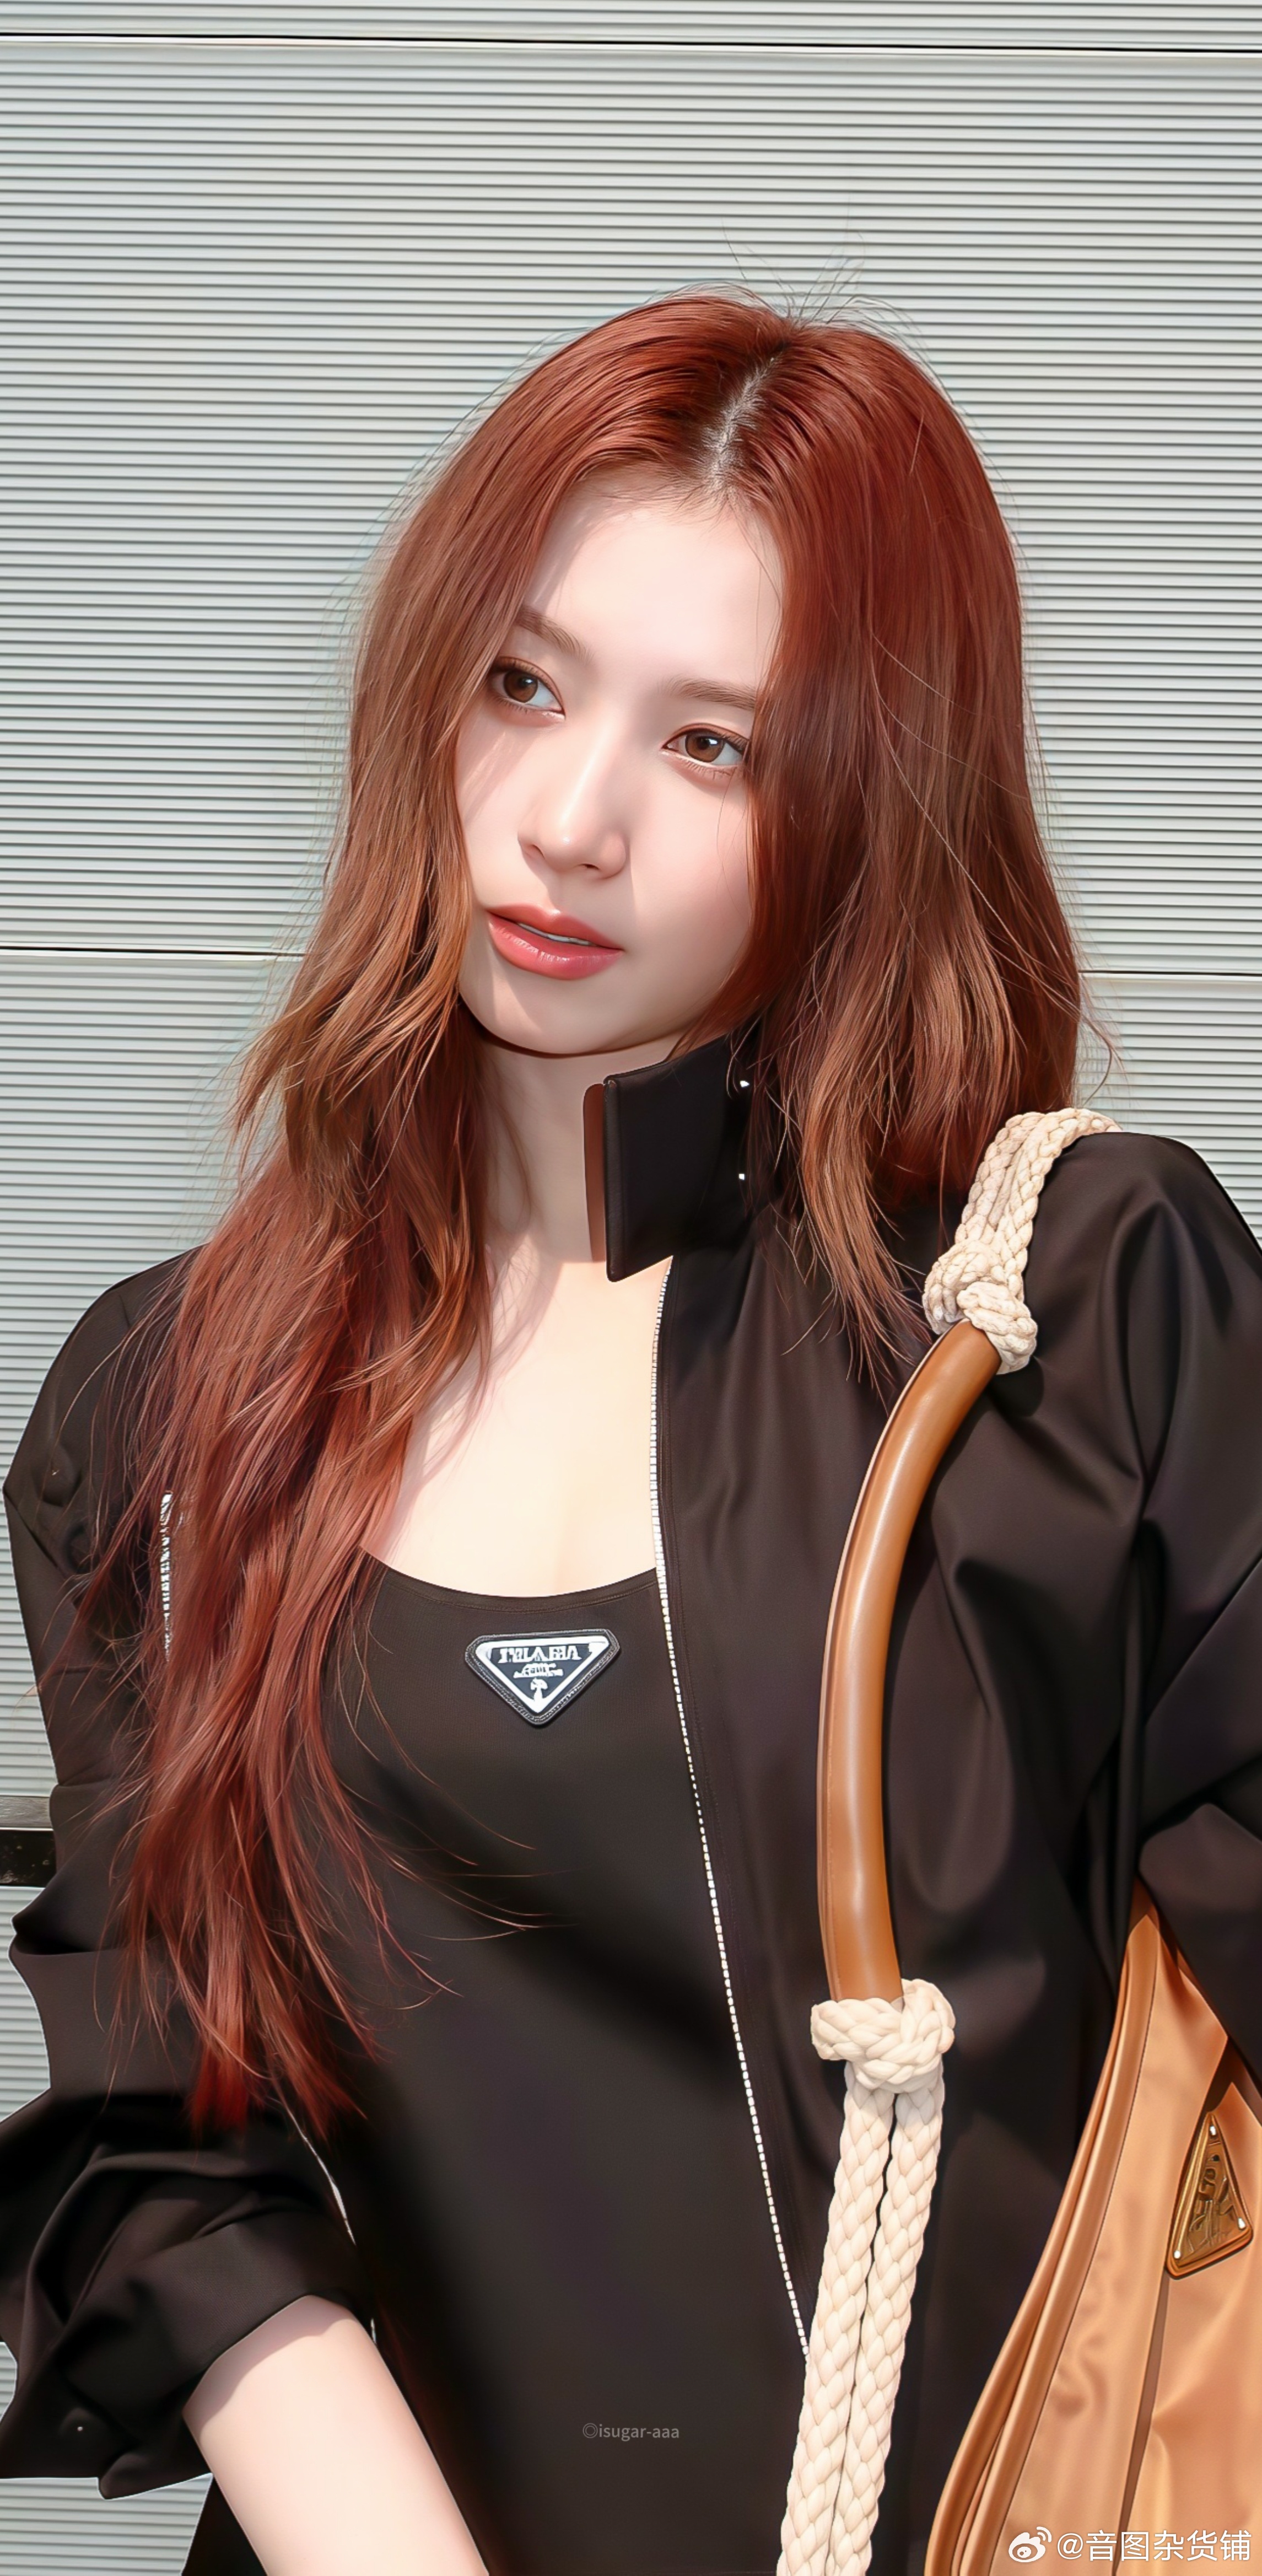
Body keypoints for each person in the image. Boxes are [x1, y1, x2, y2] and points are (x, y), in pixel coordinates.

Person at [2, 293, 1261, 2576]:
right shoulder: (168, 1405)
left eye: (712, 746)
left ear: (864, 796)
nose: (568, 819)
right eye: (523, 681)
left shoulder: (1067, 1316)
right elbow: (167, 2147)